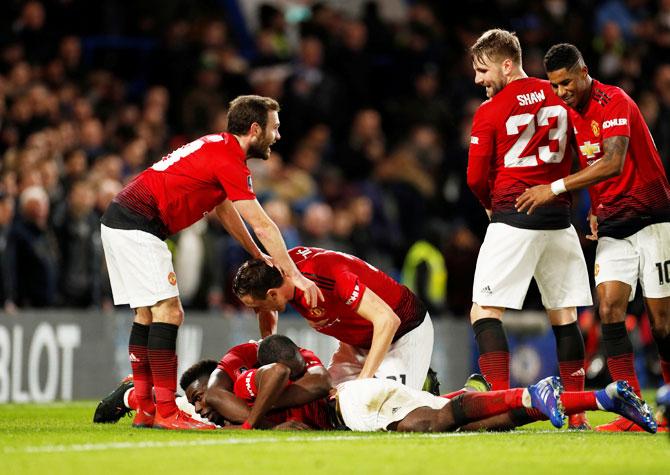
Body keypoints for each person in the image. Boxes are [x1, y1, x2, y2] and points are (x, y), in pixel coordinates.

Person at [99, 95, 323, 430]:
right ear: (255, 128)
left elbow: (223, 207)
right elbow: (263, 223)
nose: (278, 136)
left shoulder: (216, 147)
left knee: (146, 315)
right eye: (274, 128)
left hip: (121, 221)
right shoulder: (229, 159)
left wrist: (254, 252)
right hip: (139, 224)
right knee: (169, 313)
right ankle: (165, 411)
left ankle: (146, 407)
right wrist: (295, 275)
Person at [516, 43, 670, 432]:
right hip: (615, 224)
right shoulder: (570, 114)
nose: (561, 91)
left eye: (566, 82)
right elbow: (589, 162)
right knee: (609, 310)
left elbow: (613, 161)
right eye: (554, 85)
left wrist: (553, 189)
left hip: (654, 219)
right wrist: (596, 206)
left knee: (663, 323)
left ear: (584, 72)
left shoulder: (614, 101)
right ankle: (632, 410)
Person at [94, 335, 657, 434]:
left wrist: (252, 419)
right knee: (475, 420)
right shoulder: (246, 380)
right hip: (361, 394)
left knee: (435, 421)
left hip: (352, 404)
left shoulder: (228, 387)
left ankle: (525, 393)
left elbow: (304, 382)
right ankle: (599, 396)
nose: (199, 406)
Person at [466, 29, 593, 429]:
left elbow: (474, 176)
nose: (478, 80)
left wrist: (490, 205)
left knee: (484, 311)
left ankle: (500, 407)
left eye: (483, 70)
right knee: (565, 316)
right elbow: (584, 151)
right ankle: (578, 419)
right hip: (559, 219)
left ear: (508, 64)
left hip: (513, 217)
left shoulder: (490, 110)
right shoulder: (559, 94)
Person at [232, 246, 433, 391]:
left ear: (272, 294)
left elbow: (388, 321)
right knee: (324, 402)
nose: (257, 312)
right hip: (356, 342)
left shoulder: (329, 275)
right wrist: (268, 348)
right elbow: (268, 310)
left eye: (256, 306)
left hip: (402, 332)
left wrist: (363, 381)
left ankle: (432, 389)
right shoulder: (278, 272)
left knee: (386, 410)